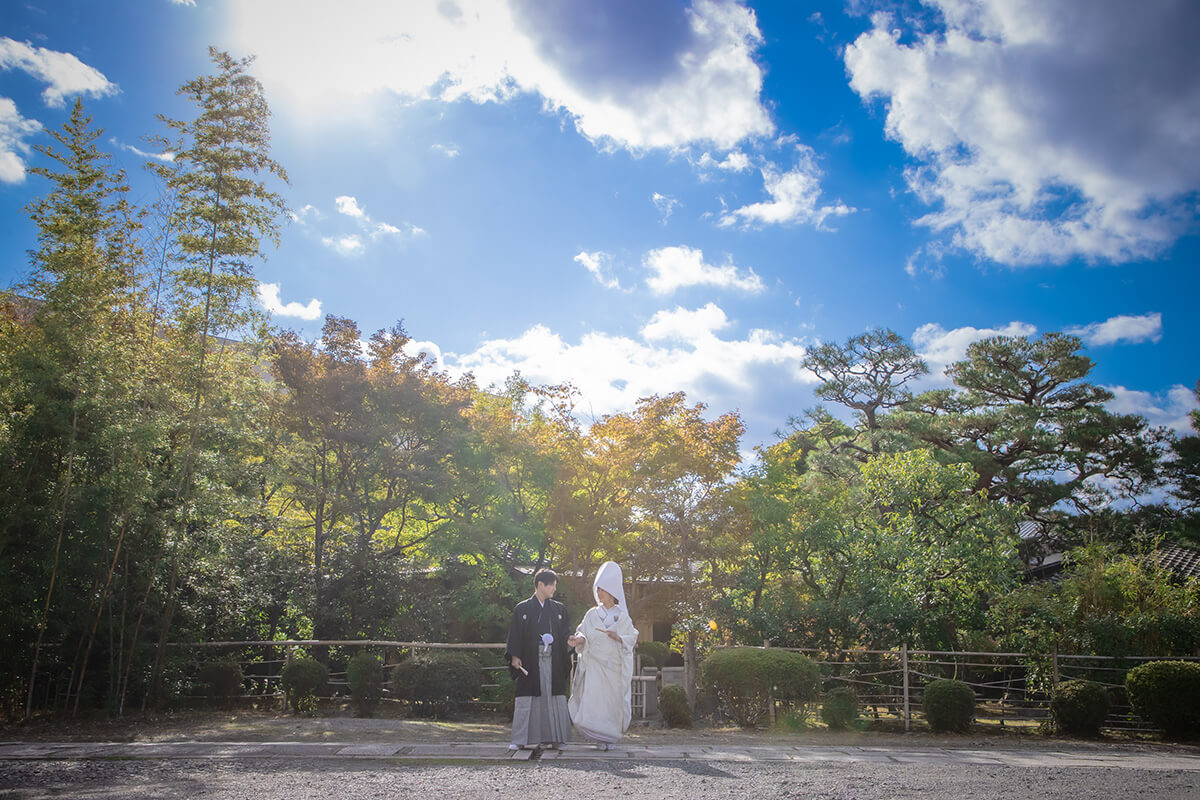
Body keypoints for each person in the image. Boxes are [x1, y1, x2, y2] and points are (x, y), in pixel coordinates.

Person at [567, 561, 639, 749]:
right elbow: (584, 632)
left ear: (612, 592)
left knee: (611, 703)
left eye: (603, 590)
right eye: (598, 590)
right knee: (594, 701)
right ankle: (599, 737)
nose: (599, 594)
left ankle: (611, 736)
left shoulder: (622, 616)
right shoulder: (592, 614)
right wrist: (579, 640)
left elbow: (632, 637)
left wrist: (619, 637)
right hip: (595, 665)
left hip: (613, 666)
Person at [505, 568, 572, 750]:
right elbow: (516, 634)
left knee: (554, 696)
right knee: (527, 697)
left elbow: (566, 633)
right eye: (552, 585)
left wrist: (571, 641)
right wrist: (515, 656)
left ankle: (557, 738)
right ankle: (520, 739)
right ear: (541, 584)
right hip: (530, 660)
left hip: (554, 659)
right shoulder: (523, 609)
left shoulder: (559, 609)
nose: (554, 589)